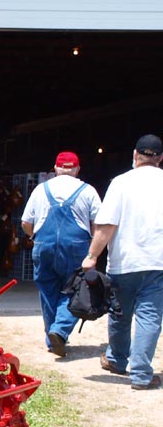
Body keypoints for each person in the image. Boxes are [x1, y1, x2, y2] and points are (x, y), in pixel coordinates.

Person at [82, 134, 163, 390]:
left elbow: (107, 225)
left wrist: (92, 256)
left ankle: (117, 360)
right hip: (158, 262)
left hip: (125, 261)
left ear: (135, 156)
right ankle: (141, 375)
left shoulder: (120, 183)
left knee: (120, 313)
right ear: (160, 159)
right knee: (150, 317)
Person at [21, 151, 101, 357]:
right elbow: (98, 225)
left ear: (55, 168)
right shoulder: (88, 190)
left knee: (48, 291)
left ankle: (52, 338)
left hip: (43, 244)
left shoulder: (41, 190)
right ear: (77, 169)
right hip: (76, 247)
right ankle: (60, 330)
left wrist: (36, 238)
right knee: (76, 290)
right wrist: (93, 250)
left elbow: (26, 223)